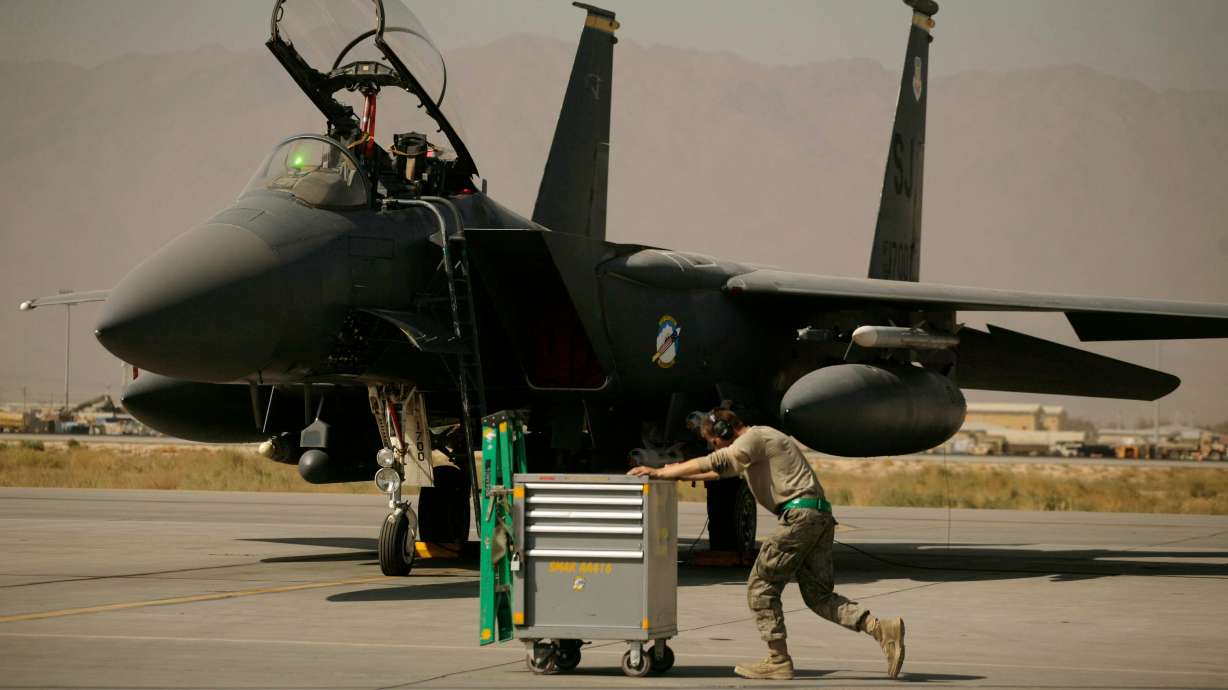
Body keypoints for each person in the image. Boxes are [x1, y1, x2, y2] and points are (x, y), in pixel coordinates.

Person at [628, 408, 905, 680]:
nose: (714, 447)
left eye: (714, 441)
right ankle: (882, 629)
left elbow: (719, 461)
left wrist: (662, 472)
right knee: (819, 596)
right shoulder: (755, 448)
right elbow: (718, 473)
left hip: (798, 518)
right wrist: (673, 473)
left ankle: (778, 660)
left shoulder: (754, 437)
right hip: (816, 516)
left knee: (761, 588)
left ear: (724, 433)